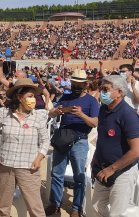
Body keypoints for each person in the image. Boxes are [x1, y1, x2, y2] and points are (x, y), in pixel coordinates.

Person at [0, 78, 49, 217]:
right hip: (6, 165)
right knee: (3, 206)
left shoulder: (37, 117)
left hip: (28, 167)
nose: (34, 99)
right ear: (20, 97)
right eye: (30, 96)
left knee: (35, 207)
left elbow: (45, 140)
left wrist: (39, 158)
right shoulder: (4, 113)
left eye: (35, 96)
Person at [45, 70, 99, 217]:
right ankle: (55, 204)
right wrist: (56, 111)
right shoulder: (65, 97)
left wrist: (81, 115)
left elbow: (95, 122)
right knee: (57, 174)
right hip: (63, 139)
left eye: (78, 84)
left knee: (79, 177)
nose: (75, 86)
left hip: (80, 140)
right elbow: (50, 113)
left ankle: (76, 208)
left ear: (85, 85)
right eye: (73, 83)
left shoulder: (91, 101)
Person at [92, 75, 139, 217]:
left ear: (119, 92)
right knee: (97, 207)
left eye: (106, 89)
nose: (102, 92)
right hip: (102, 167)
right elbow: (102, 138)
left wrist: (112, 169)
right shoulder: (103, 109)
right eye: (101, 88)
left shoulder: (128, 114)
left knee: (117, 213)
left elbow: (136, 151)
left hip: (122, 171)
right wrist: (95, 157)